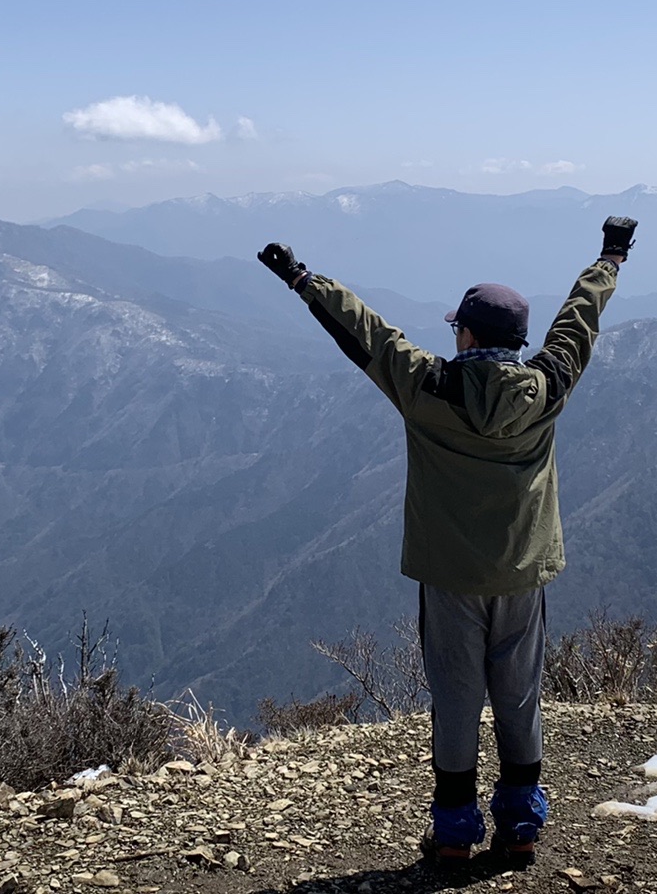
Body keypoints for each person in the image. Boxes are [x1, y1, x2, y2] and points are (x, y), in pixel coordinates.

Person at [257, 216, 637, 870]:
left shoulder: (429, 388)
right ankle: (521, 826)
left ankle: (455, 832)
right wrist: (610, 258)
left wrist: (303, 281)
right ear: (516, 341)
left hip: (451, 578)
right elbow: (578, 321)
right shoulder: (548, 388)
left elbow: (367, 336)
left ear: (466, 332)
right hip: (522, 577)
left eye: (457, 325)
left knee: (458, 700)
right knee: (520, 697)